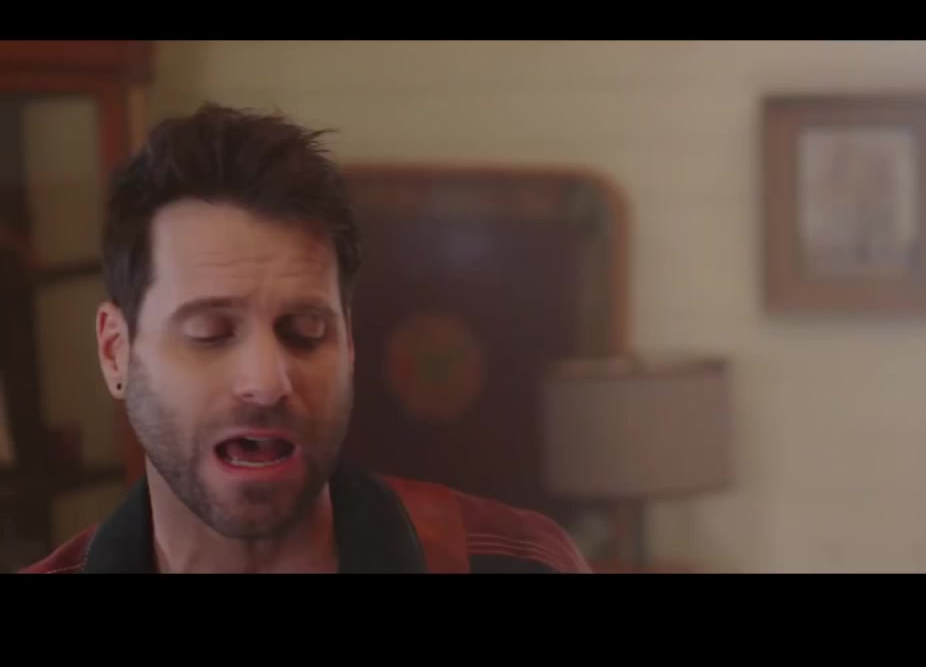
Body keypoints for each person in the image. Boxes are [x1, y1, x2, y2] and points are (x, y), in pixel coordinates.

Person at [22, 103, 591, 574]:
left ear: (348, 347)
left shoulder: (516, 563)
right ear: (115, 352)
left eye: (306, 333)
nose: (267, 381)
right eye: (210, 333)